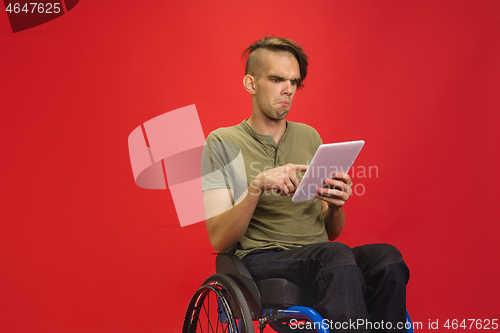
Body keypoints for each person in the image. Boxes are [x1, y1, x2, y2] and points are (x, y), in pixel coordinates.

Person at [201, 36, 409, 332]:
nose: (288, 90)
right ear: (251, 83)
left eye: (294, 82)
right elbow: (219, 240)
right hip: (261, 257)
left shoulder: (309, 137)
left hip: (318, 254)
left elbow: (331, 232)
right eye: (276, 79)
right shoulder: (221, 142)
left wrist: (336, 206)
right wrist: (257, 187)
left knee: (387, 258)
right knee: (335, 257)